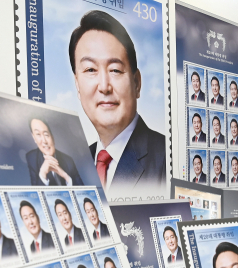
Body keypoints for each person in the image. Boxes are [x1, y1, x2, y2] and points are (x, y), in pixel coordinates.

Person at [70, 11, 166, 193]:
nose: (104, 86)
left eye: (115, 70)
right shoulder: (76, 165)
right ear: (77, 84)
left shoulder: (167, 159)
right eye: (90, 69)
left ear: (136, 83)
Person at [26, 118, 83, 187]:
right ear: (34, 138)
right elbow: (34, 195)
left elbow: (84, 192)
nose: (44, 141)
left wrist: (66, 177)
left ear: (52, 138)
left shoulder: (68, 161)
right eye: (38, 134)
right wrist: (43, 174)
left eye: (46, 134)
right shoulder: (31, 158)